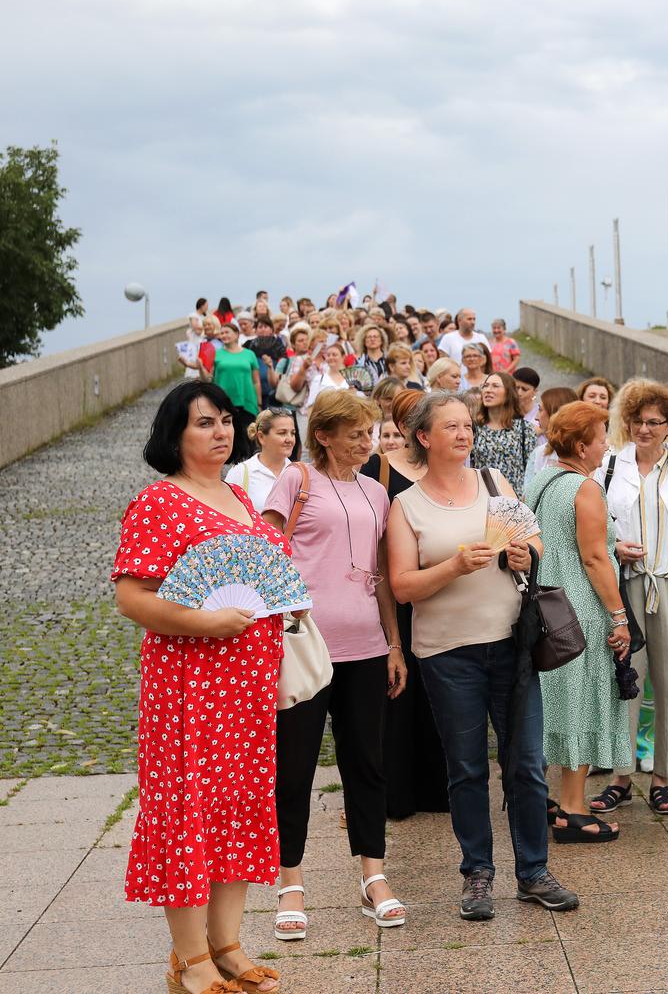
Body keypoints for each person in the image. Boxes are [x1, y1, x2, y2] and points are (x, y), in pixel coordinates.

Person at [112, 380, 283, 994]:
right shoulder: (160, 502)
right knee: (189, 810)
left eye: (225, 422)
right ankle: (189, 958)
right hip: (188, 683)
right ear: (175, 434)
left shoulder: (239, 495)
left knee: (235, 808)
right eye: (204, 423)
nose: (220, 432)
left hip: (248, 687)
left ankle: (228, 945)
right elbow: (132, 596)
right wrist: (205, 622)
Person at [387, 393, 579, 920]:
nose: (464, 434)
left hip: (512, 644)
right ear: (424, 438)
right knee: (467, 768)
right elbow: (402, 586)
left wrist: (525, 553)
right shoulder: (405, 505)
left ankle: (534, 872)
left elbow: (533, 541)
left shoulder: (496, 483)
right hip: (447, 653)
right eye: (450, 427)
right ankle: (477, 873)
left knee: (526, 763)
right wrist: (452, 567)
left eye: (467, 425)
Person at [261, 390, 408, 940]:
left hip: (367, 647)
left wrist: (394, 643)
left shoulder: (376, 490)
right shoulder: (296, 481)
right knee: (294, 767)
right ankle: (290, 883)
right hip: (305, 646)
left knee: (367, 764)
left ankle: (374, 877)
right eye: (354, 433)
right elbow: (266, 555)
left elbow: (383, 574)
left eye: (369, 432)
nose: (366, 442)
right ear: (323, 435)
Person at [588, 381, 668, 818]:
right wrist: (614, 547)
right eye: (638, 421)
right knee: (624, 678)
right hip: (625, 586)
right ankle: (621, 776)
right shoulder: (607, 467)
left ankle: (662, 777)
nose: (644, 428)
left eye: (654, 422)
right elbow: (592, 528)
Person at [525, 401, 634, 843]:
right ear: (582, 443)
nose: (606, 444)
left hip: (546, 603)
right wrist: (619, 615)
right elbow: (592, 556)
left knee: (554, 700)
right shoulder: (585, 489)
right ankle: (572, 807)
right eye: (602, 435)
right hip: (581, 607)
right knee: (582, 700)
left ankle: (549, 798)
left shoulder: (541, 480)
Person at [362, 389, 450, 821]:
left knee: (437, 690)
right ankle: (395, 792)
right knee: (397, 692)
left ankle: (437, 787)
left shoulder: (445, 467)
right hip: (395, 589)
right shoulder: (378, 466)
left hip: (441, 592)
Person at [471, 371, 537, 493]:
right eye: (486, 385)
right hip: (481, 498)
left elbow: (532, 471)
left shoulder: (525, 429)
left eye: (495, 386)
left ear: (508, 393)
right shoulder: (474, 428)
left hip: (514, 500)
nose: (488, 390)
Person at [224, 408, 300, 510]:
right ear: (261, 437)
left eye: (293, 433)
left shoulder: (300, 473)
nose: (290, 439)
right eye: (282, 433)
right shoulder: (240, 473)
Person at [210, 322, 262, 461]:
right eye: (222, 333)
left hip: (247, 401)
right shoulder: (216, 354)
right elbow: (208, 378)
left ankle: (249, 470)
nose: (224, 335)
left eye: (227, 332)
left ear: (236, 334)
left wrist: (259, 402)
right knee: (231, 437)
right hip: (223, 402)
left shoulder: (249, 354)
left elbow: (256, 381)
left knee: (249, 437)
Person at [298, 341, 352, 445]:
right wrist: (313, 429)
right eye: (328, 355)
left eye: (334, 354)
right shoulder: (318, 379)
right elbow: (311, 406)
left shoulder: (351, 379)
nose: (331, 357)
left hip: (346, 425)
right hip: (325, 424)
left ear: (343, 357)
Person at [524, 386, 576, 486]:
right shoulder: (539, 453)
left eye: (540, 410)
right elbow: (527, 495)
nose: (536, 417)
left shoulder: (584, 455)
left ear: (555, 414)